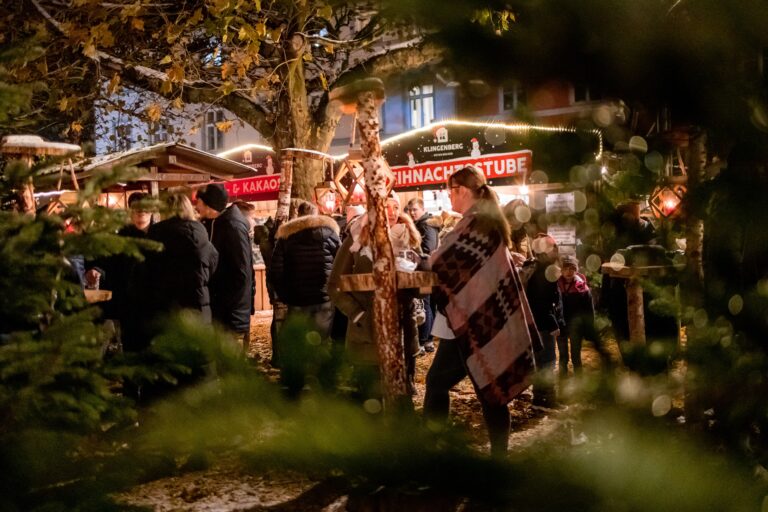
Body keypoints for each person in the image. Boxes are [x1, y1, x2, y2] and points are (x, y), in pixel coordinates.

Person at [424, 165, 539, 456]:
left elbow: (442, 262)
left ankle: (434, 448)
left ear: (461, 190)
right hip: (479, 318)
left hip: (477, 321)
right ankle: (494, 455)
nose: (448, 197)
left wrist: (421, 261)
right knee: (485, 389)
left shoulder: (475, 225)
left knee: (474, 387)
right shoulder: (486, 221)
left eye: (450, 191)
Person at [328, 191, 422, 399]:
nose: (391, 212)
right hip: (368, 332)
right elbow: (334, 285)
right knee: (371, 398)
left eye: (395, 207)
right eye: (385, 207)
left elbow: (418, 282)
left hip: (402, 331)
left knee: (401, 398)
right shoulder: (357, 241)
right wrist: (358, 315)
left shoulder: (408, 239)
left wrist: (417, 294)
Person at [269, 200, 341, 395]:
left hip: (297, 299)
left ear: (298, 214)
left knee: (296, 342)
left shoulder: (286, 236)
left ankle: (295, 386)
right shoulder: (331, 235)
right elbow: (340, 265)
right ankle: (324, 384)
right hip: (324, 297)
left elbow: (275, 270)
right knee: (322, 341)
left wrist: (285, 294)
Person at [85, 192, 155, 354]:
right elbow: (105, 260)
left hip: (153, 302)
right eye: (137, 209)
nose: (141, 213)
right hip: (128, 301)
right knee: (131, 344)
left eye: (145, 209)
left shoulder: (160, 234)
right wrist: (96, 269)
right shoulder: (121, 235)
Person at [195, 183, 254, 353]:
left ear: (209, 204)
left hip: (230, 313)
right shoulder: (212, 223)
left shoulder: (232, 227)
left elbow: (241, 272)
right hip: (219, 309)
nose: (196, 206)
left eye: (198, 201)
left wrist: (223, 301)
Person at [526, 233, 564, 407]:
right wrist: (552, 323)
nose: (556, 250)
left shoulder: (537, 267)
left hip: (536, 322)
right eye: (553, 247)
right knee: (548, 361)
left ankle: (538, 397)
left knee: (541, 361)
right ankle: (547, 399)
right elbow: (541, 300)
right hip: (543, 323)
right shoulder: (544, 271)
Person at [406, 197, 440, 354]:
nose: (412, 213)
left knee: (425, 304)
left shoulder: (426, 225)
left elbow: (428, 249)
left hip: (425, 271)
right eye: (410, 210)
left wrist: (410, 255)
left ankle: (426, 340)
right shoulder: (422, 224)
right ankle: (428, 339)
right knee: (427, 304)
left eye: (415, 210)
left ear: (422, 209)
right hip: (425, 270)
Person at [556, 255, 595, 378]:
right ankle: (563, 379)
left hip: (576, 326)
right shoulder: (555, 285)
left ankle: (579, 381)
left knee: (576, 355)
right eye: (566, 268)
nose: (568, 272)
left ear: (576, 270)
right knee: (562, 356)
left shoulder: (582, 288)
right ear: (561, 270)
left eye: (571, 268)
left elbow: (589, 310)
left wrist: (589, 328)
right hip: (561, 324)